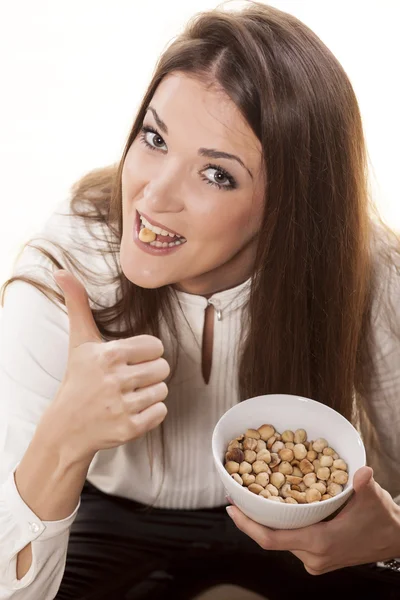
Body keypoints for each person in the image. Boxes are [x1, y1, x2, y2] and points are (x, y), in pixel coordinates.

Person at [0, 1, 400, 599]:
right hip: (103, 518)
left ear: (292, 203)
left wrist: (394, 541)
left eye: (216, 174)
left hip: (292, 523)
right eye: (154, 137)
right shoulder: (69, 265)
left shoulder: (365, 267)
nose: (153, 196)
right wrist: (64, 439)